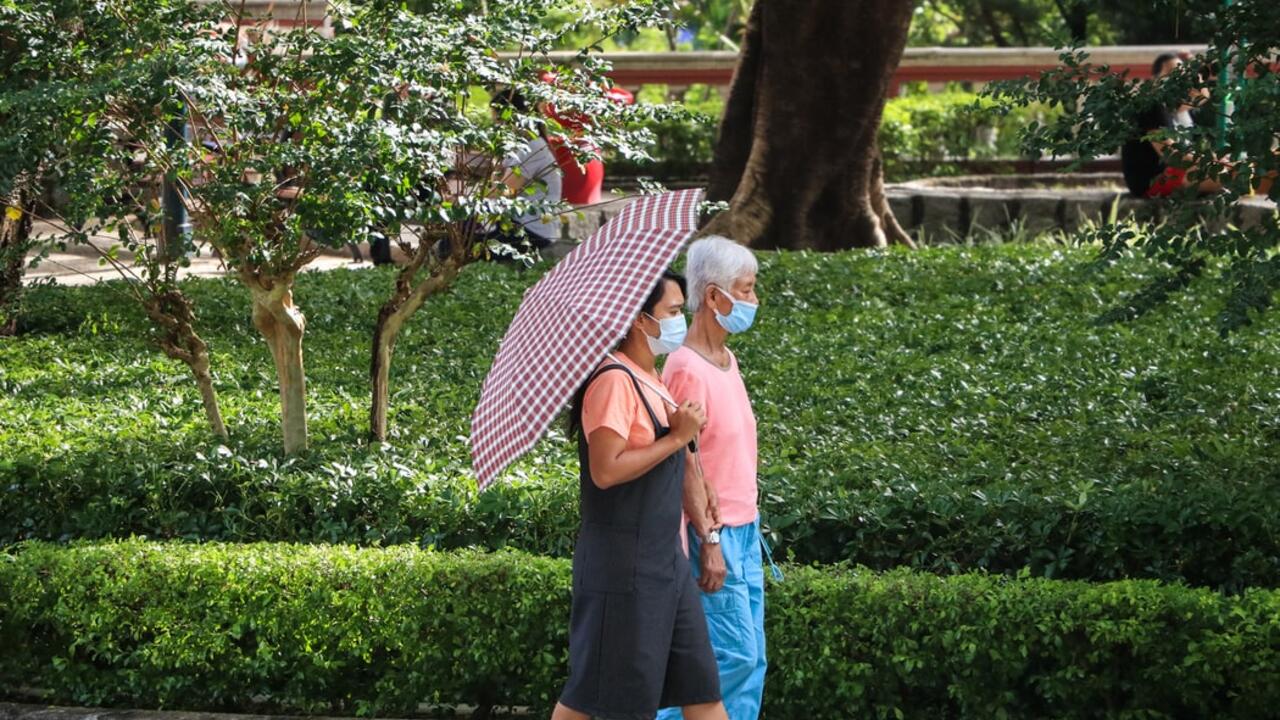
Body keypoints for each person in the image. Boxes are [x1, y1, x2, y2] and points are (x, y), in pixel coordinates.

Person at [554, 270, 730, 720]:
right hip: (622, 563)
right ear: (638, 320)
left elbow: (671, 453)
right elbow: (606, 470)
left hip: (663, 559)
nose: (679, 322)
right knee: (609, 698)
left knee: (702, 688)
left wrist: (694, 468)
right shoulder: (613, 379)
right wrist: (675, 439)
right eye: (671, 313)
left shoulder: (650, 376)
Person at [656, 236, 768, 720]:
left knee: (751, 661)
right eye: (745, 290)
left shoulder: (727, 360)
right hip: (714, 537)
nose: (753, 301)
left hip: (746, 530)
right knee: (726, 661)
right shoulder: (685, 368)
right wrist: (710, 539)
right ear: (714, 296)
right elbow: (685, 462)